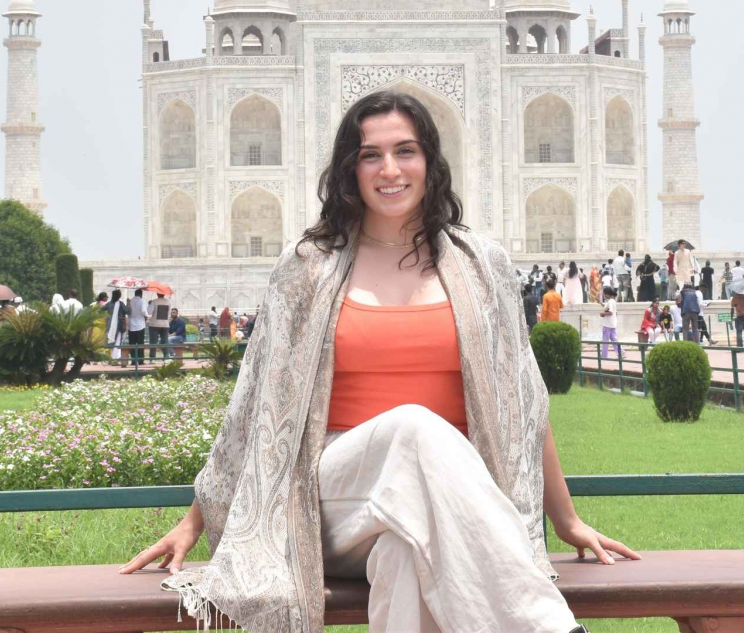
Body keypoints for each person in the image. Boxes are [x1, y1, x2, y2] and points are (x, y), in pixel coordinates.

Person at [122, 89, 634, 633]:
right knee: (414, 429)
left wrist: (567, 518)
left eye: (405, 151)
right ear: (350, 169)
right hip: (329, 502)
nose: (389, 169)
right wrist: (194, 520)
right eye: (371, 155)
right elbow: (257, 408)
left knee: (406, 555)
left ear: (431, 162)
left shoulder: (481, 266)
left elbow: (524, 406)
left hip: (445, 503)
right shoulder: (309, 270)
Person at [147, 291, 172, 360]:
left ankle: (152, 358)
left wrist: (149, 304)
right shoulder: (168, 302)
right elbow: (169, 313)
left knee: (153, 342)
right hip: (165, 324)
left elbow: (149, 312)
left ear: (157, 294)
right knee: (165, 341)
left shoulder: (154, 301)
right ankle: (166, 357)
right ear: (164, 294)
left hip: (154, 324)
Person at [127, 289, 149, 365]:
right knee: (140, 343)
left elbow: (128, 311)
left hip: (131, 325)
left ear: (135, 294)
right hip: (140, 325)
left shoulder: (130, 301)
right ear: (141, 294)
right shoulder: (142, 300)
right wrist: (147, 315)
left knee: (132, 343)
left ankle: (133, 360)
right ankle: (140, 360)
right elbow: (143, 311)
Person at [678, 278, 702, 344]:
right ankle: (697, 344)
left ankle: (685, 344)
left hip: (686, 311)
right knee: (695, 329)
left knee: (685, 329)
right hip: (695, 311)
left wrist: (680, 305)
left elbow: (678, 302)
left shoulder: (682, 292)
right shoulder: (695, 292)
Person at [599, 288, 621, 359]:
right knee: (615, 340)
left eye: (605, 294)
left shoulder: (610, 302)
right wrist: (599, 302)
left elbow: (610, 312)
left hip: (607, 324)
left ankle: (604, 355)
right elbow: (606, 307)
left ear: (607, 294)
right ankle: (621, 353)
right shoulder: (612, 301)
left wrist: (603, 313)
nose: (604, 295)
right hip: (612, 324)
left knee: (605, 341)